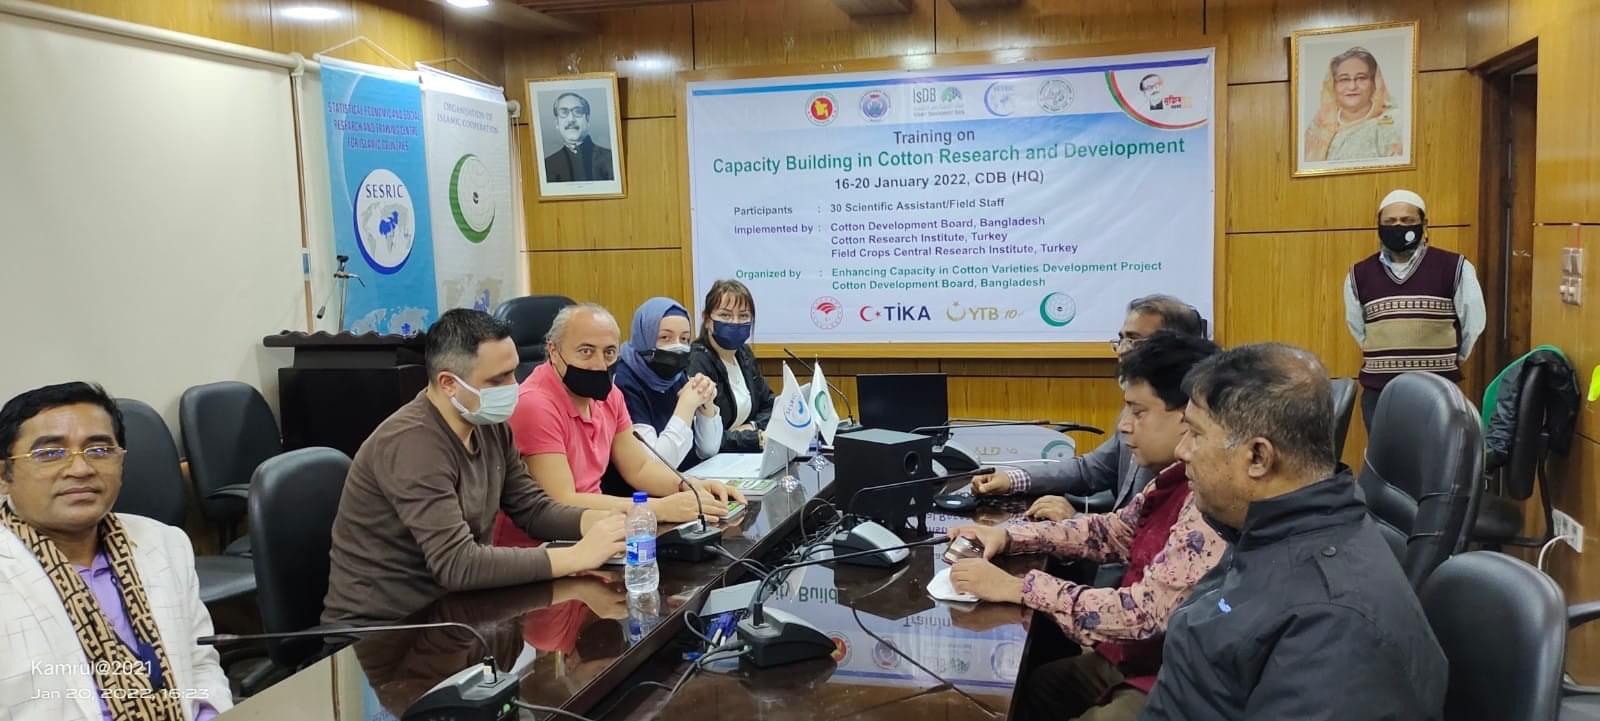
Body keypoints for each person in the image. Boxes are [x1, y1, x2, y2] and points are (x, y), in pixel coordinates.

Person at [1140, 343, 1447, 720]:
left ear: (1258, 457)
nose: (1182, 450)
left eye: (1196, 434)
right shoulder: (1265, 527)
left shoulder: (1332, 625)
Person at [946, 333, 1226, 721]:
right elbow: (1112, 532)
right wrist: (1008, 536)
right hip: (1137, 656)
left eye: (1138, 412)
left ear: (1187, 417)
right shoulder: (1175, 477)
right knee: (1035, 689)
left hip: (1177, 675)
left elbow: (1142, 616)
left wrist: (1017, 587)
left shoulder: (1212, 497)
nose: (1123, 426)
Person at [324, 309, 627, 625]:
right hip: (386, 628)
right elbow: (457, 564)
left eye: (513, 372)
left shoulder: (489, 425)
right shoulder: (412, 444)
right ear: (448, 383)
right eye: (498, 379)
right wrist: (578, 555)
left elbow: (533, 509)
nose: (513, 386)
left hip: (457, 611)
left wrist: (608, 522)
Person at [0, 382, 230, 721]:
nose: (81, 469)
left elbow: (200, 661)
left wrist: (209, 713)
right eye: (50, 453)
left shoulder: (165, 543)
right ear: (4, 475)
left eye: (99, 450)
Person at [496, 303, 745, 547]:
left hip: (599, 532)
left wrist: (689, 486)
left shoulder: (609, 395)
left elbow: (640, 468)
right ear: (553, 351)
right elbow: (561, 501)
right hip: (541, 549)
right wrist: (658, 509)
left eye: (609, 352)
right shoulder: (534, 404)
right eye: (586, 351)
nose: (599, 364)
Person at [970, 294, 1206, 516]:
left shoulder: (1201, 461)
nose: (1123, 350)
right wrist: (1012, 479)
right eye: (1121, 339)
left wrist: (1074, 520)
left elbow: (1154, 540)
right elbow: (1090, 470)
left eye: (1134, 340)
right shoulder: (1139, 408)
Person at [1345, 189, 1485, 431]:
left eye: (1407, 220)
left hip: (1438, 392)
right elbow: (1358, 329)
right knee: (1385, 455)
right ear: (1378, 227)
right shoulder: (1358, 274)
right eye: (1390, 222)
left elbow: (1473, 323)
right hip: (1380, 395)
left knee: (1437, 454)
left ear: (1424, 224)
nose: (1398, 227)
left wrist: (1450, 359)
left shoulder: (1455, 267)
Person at [612, 297, 724, 469]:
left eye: (684, 339)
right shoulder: (623, 382)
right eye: (665, 337)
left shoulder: (676, 375)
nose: (677, 347)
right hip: (648, 485)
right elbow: (654, 467)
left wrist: (706, 408)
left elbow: (708, 449)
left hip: (688, 477)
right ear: (645, 337)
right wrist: (686, 406)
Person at [687, 279, 776, 452]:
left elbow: (770, 407)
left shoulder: (743, 353)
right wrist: (753, 438)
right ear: (707, 319)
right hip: (709, 462)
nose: (735, 322)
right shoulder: (697, 362)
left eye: (743, 316)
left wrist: (751, 426)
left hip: (740, 457)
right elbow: (704, 439)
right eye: (725, 315)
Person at [1303, 47, 1403, 163]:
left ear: (1374, 82)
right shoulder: (1319, 126)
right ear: (1332, 85)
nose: (1352, 87)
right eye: (1344, 79)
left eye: (1361, 78)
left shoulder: (1393, 123)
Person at [544, 92, 614, 183]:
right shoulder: (548, 164)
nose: (571, 119)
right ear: (557, 123)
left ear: (587, 119)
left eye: (577, 112)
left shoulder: (610, 159)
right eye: (564, 112)